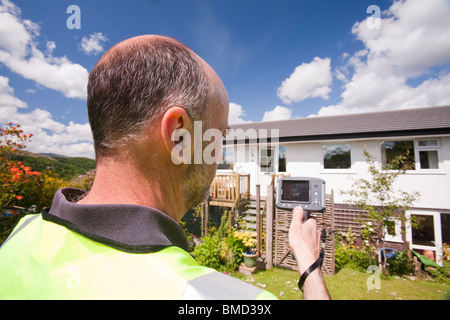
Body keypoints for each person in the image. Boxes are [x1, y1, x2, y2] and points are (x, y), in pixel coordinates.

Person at [0, 35, 329, 300]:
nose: (219, 155)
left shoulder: (23, 233)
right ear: (179, 135)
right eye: (219, 138)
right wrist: (310, 266)